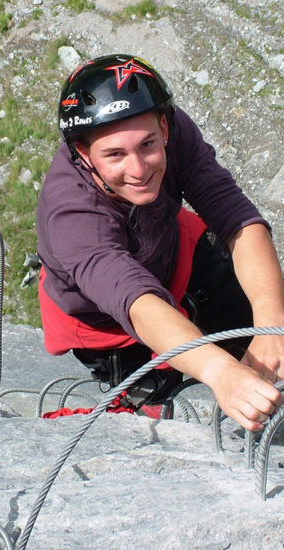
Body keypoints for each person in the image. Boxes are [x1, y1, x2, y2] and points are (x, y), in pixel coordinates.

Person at [36, 54, 284, 431]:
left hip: (173, 256)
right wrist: (220, 371)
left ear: (164, 128)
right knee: (163, 404)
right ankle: (139, 394)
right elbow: (133, 300)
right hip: (108, 319)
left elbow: (236, 217)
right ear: (84, 154)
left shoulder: (166, 128)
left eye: (148, 145)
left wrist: (271, 325)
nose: (138, 170)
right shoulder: (71, 212)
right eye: (115, 155)